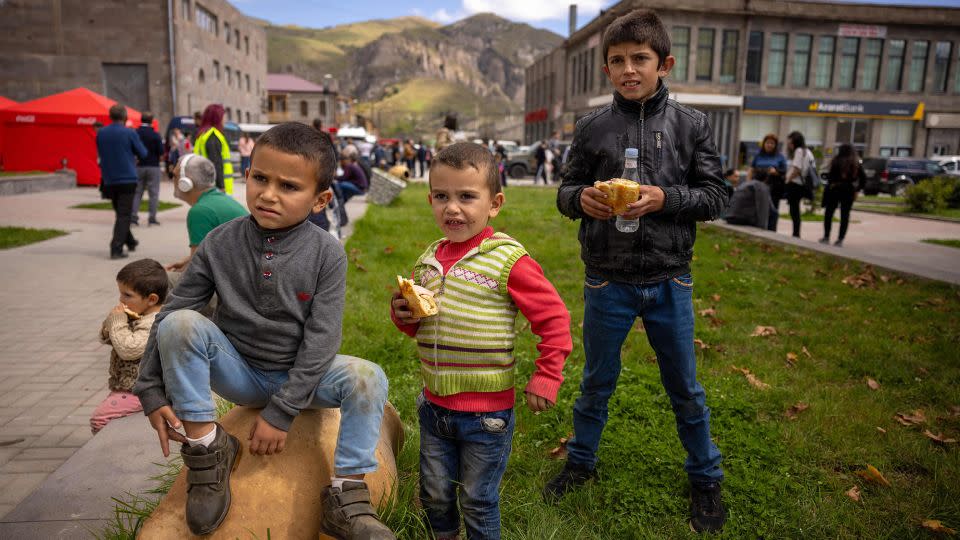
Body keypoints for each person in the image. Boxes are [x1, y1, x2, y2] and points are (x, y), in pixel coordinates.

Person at [133, 122, 394, 539]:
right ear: (247, 174)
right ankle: (207, 451)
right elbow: (171, 316)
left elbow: (322, 339)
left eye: (289, 186)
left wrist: (283, 412)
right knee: (180, 323)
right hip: (239, 372)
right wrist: (149, 389)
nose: (268, 194)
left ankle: (346, 497)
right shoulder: (219, 242)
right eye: (260, 178)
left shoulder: (327, 253)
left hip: (304, 381)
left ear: (320, 200)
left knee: (369, 377)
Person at [551, 9, 728, 533]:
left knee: (686, 388)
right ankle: (581, 462)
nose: (629, 70)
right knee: (595, 381)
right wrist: (581, 199)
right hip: (607, 277)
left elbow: (717, 195)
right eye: (618, 61)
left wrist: (664, 198)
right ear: (607, 69)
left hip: (670, 277)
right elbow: (564, 191)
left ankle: (705, 475)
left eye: (640, 60)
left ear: (664, 64)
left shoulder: (691, 125)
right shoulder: (591, 128)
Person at [390, 142, 572, 540]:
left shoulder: (507, 260)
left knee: (477, 497)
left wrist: (547, 375)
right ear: (430, 199)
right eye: (442, 197)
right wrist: (402, 313)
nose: (452, 208)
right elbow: (418, 324)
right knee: (435, 493)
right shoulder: (428, 258)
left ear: (495, 203)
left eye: (467, 197)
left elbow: (554, 317)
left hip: (486, 415)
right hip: (434, 406)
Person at [90, 258, 168, 434]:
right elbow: (111, 340)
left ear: (151, 299)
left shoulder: (154, 323)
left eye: (127, 295)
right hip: (126, 389)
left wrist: (117, 323)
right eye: (120, 294)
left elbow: (128, 349)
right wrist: (109, 326)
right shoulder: (139, 314)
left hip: (140, 391)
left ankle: (113, 448)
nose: (121, 300)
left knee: (99, 419)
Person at [165, 154, 248, 273]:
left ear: (186, 183)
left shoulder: (200, 211)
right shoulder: (218, 199)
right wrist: (186, 261)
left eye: (174, 175)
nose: (172, 179)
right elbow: (210, 252)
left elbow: (196, 270)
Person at [97, 104, 148, 259]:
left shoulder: (101, 133)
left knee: (120, 213)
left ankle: (130, 241)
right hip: (127, 178)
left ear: (110, 116)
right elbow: (143, 153)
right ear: (125, 117)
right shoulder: (129, 132)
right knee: (124, 214)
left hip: (109, 180)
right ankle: (116, 248)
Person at [820, 143, 865, 247]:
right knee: (845, 215)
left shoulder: (836, 161)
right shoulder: (855, 163)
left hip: (835, 189)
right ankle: (840, 239)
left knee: (829, 213)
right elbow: (863, 179)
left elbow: (830, 177)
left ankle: (826, 236)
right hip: (848, 190)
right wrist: (857, 190)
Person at [749, 133, 788, 232]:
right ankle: (756, 230)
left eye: (772, 143)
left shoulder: (780, 157)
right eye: (767, 142)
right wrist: (748, 183)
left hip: (774, 188)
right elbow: (751, 170)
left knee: (773, 211)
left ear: (775, 145)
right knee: (757, 209)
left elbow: (785, 172)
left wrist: (776, 172)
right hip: (758, 186)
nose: (769, 145)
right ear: (764, 143)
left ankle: (771, 232)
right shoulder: (758, 155)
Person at [131, 112, 165, 227]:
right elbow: (161, 152)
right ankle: (152, 218)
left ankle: (133, 217)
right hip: (153, 166)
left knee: (137, 192)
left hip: (139, 166)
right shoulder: (155, 135)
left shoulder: (135, 133)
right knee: (153, 193)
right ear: (151, 121)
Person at [194, 104, 235, 194]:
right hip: (216, 188)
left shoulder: (203, 135)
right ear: (217, 118)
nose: (225, 120)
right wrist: (221, 186)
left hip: (205, 185)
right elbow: (216, 163)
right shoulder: (213, 136)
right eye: (223, 117)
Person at [784, 131, 815, 238]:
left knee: (794, 210)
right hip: (803, 184)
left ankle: (796, 233)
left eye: (790, 143)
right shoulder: (808, 152)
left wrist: (788, 179)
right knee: (796, 209)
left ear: (795, 142)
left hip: (796, 184)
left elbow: (797, 169)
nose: (789, 145)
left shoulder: (799, 151)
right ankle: (796, 232)